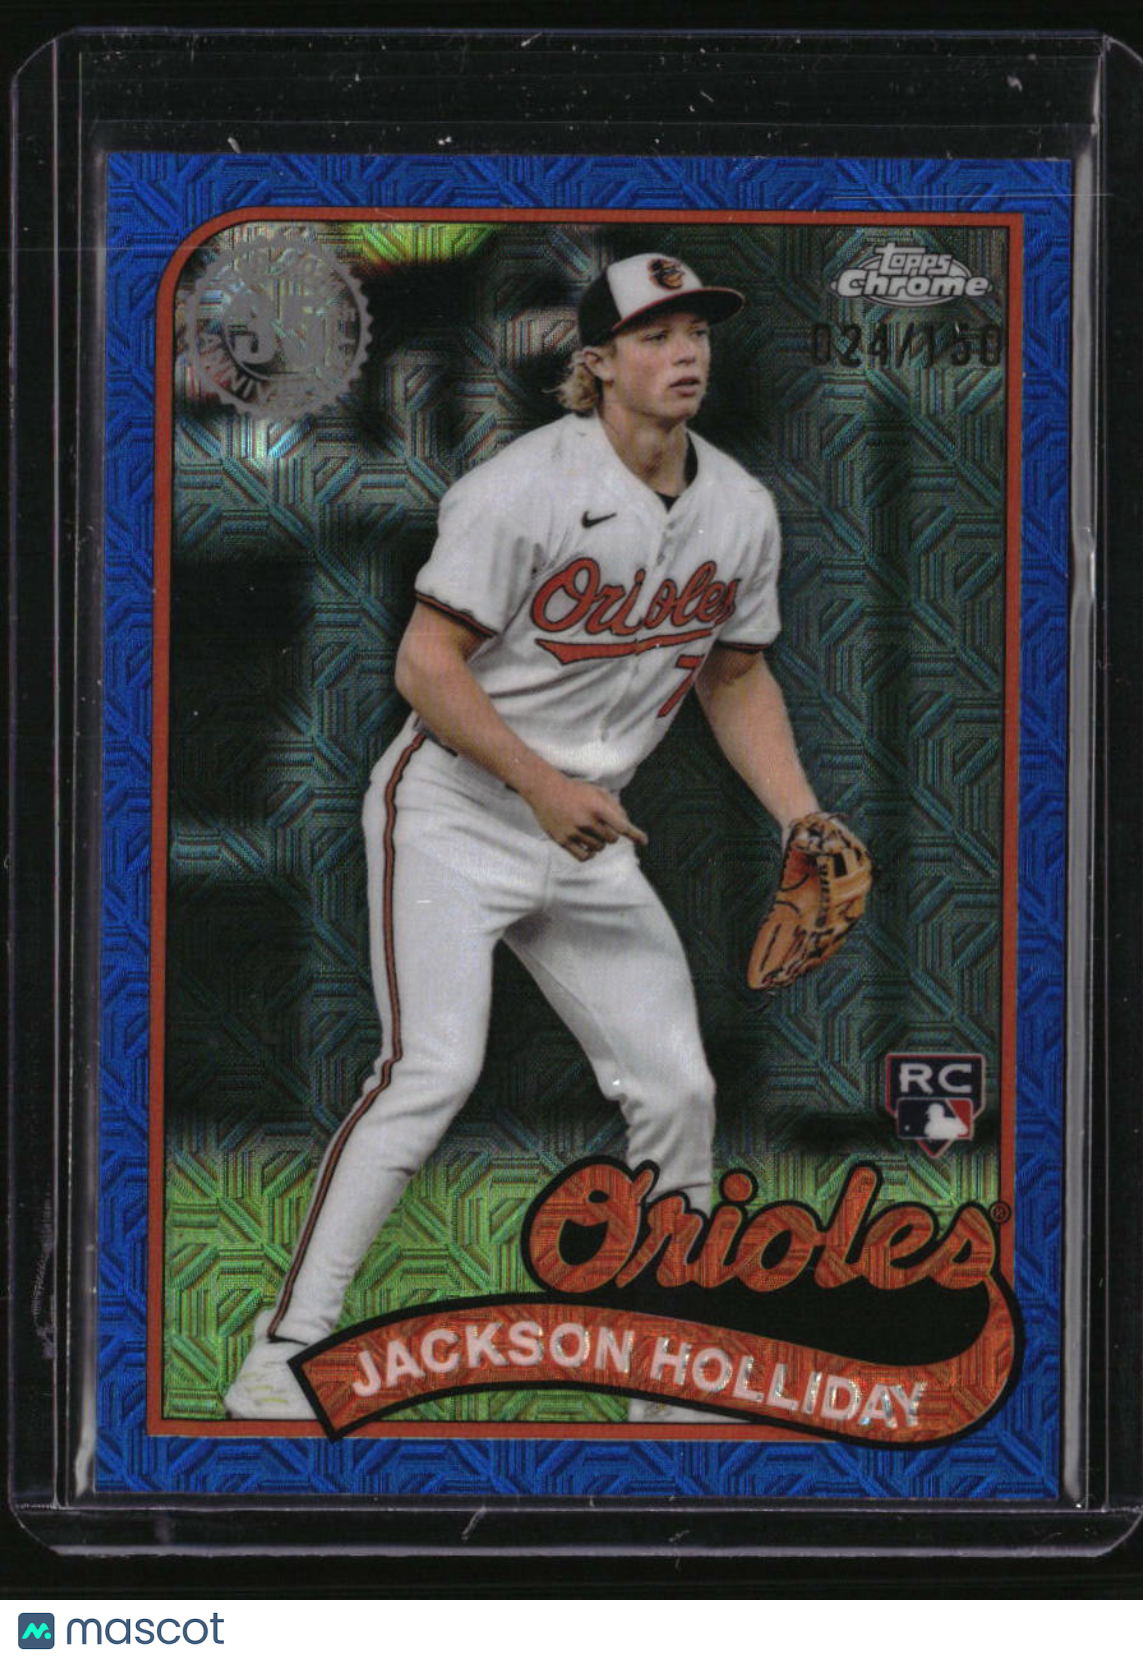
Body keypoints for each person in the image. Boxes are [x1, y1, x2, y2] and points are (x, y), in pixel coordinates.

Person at [224, 251, 820, 1421]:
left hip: (586, 829)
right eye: (654, 336)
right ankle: (284, 1353)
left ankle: (669, 1377)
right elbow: (424, 664)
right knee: (430, 1069)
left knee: (677, 1087)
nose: (685, 352)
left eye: (697, 330)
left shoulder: (741, 507)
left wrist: (803, 816)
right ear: (595, 364)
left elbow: (737, 674)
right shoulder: (520, 488)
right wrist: (540, 783)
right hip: (456, 808)